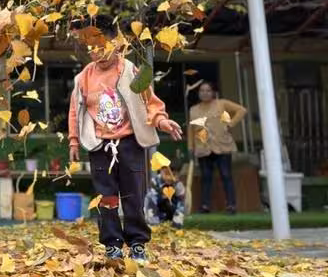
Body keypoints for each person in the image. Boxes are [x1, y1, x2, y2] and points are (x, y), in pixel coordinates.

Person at [68, 30, 182, 263]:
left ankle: (138, 243)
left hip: (130, 142)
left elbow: (150, 102)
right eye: (93, 50)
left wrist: (161, 121)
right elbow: (74, 111)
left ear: (116, 46)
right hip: (100, 146)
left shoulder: (129, 70)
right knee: (106, 197)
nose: (99, 54)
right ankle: (112, 244)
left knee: (134, 195)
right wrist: (74, 140)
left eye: (104, 49)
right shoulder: (83, 77)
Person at [188, 81, 247, 214]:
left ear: (213, 92)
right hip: (203, 147)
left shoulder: (222, 104)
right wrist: (190, 147)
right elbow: (191, 130)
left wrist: (231, 124)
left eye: (208, 90)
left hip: (222, 145)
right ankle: (205, 206)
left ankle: (231, 205)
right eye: (202, 91)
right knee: (206, 177)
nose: (205, 93)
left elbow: (241, 110)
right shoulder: (193, 110)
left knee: (226, 175)